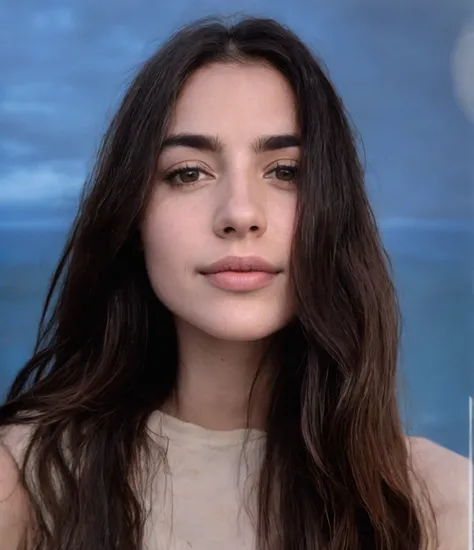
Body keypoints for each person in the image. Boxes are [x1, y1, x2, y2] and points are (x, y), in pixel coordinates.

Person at [0, 14, 469, 550]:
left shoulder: (441, 504)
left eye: (286, 172)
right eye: (189, 172)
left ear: (334, 213)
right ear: (133, 221)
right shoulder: (23, 483)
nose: (241, 214)